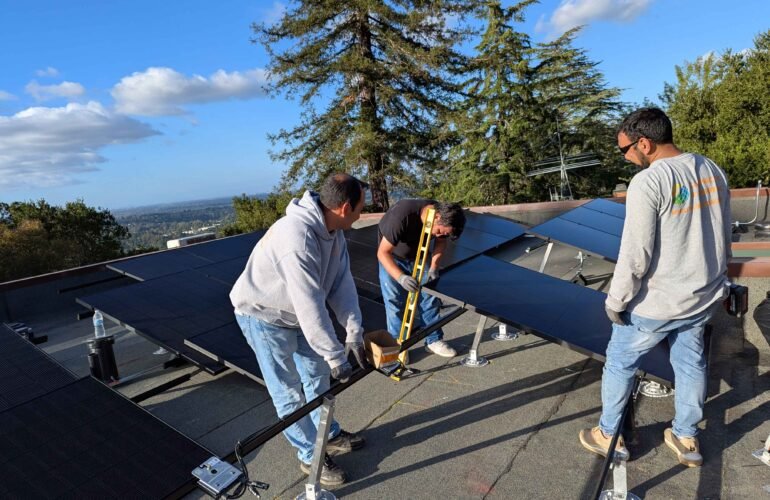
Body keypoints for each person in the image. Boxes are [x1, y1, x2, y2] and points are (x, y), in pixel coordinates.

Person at [579, 108, 732, 467]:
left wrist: (616, 300)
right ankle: (686, 436)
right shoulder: (712, 169)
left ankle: (609, 435)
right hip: (702, 294)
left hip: (658, 302)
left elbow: (636, 252)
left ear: (643, 143)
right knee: (691, 363)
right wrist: (723, 280)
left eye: (625, 150)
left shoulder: (649, 181)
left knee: (620, 362)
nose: (626, 157)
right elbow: (726, 231)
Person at [230, 173, 370, 487]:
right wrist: (336, 356)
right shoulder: (297, 238)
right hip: (264, 317)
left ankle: (327, 434)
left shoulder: (334, 231)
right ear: (345, 208)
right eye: (361, 208)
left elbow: (341, 284)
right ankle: (311, 456)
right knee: (288, 392)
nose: (363, 215)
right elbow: (309, 304)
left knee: (317, 377)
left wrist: (354, 333)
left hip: (297, 316)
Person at [377, 199, 466, 357]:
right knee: (394, 301)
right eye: (439, 231)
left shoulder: (442, 219)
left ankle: (433, 340)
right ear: (436, 216)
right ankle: (398, 347)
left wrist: (433, 267)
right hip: (393, 257)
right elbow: (382, 253)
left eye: (443, 234)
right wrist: (401, 277)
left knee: (429, 296)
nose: (439, 235)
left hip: (420, 256)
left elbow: (440, 243)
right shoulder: (402, 216)